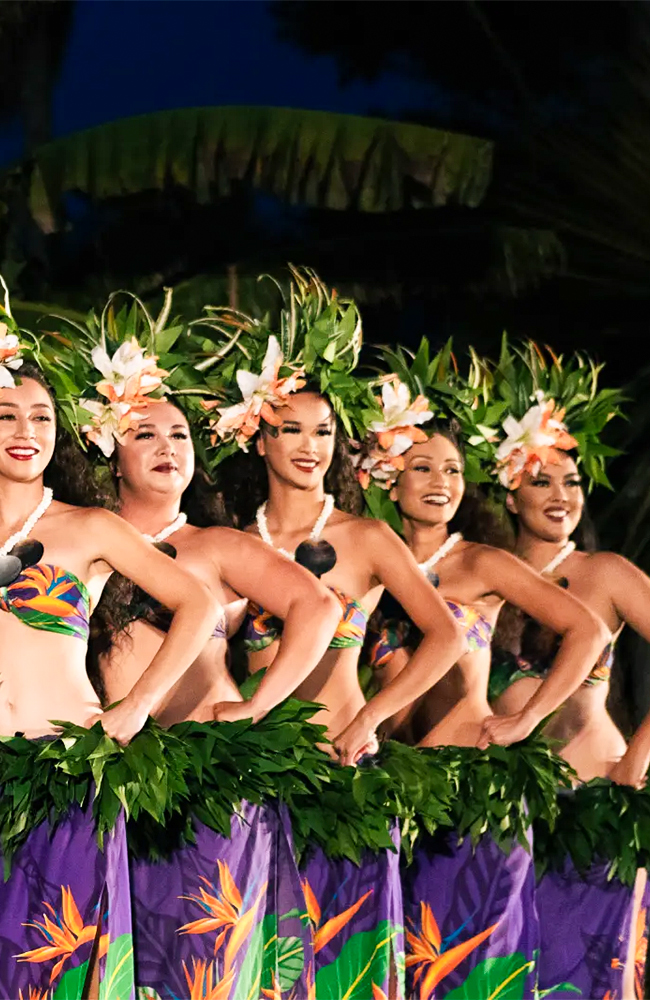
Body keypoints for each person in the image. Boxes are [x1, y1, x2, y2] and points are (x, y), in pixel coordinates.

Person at [0, 291, 219, 1000]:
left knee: (65, 974)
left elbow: (198, 601)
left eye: (42, 417)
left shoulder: (89, 529)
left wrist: (140, 706)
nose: (26, 430)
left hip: (69, 769)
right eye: (6, 416)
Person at [199, 272, 467, 997]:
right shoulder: (229, 544)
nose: (309, 445)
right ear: (260, 439)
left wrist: (375, 717)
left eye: (323, 432)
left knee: (347, 972)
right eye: (291, 429)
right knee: (255, 972)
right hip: (254, 780)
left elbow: (446, 637)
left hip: (343, 771)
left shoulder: (366, 537)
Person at [75, 302, 340, 999]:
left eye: (180, 434)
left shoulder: (214, 547)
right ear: (109, 450)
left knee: (205, 970)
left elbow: (318, 607)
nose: (168, 446)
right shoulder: (85, 543)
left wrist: (257, 706)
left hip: (205, 779)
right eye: (144, 433)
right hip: (108, 777)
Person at [353, 353, 609, 1000]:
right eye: (423, 467)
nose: (441, 481)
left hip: (475, 790)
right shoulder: (367, 560)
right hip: (394, 793)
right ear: (388, 475)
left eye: (453, 470)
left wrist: (528, 718)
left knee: (469, 973)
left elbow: (588, 632)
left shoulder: (482, 563)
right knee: (392, 973)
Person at [480, 342, 650, 1000]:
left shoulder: (601, 574)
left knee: (587, 979)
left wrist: (642, 748)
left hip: (592, 800)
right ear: (508, 489)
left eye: (572, 481)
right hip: (503, 811)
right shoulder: (483, 573)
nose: (562, 496)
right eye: (542, 480)